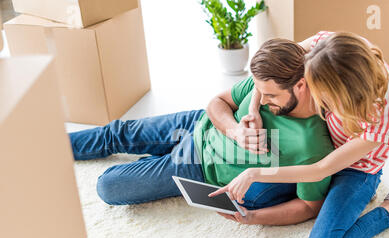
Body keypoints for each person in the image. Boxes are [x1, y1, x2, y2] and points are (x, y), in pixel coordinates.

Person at [209, 31, 389, 238]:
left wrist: (254, 173)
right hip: (320, 148)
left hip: (355, 169)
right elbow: (272, 71)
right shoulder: (328, 49)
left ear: (344, 96)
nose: (313, 101)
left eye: (322, 96)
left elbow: (322, 169)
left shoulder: (386, 116)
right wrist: (253, 107)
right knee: (253, 196)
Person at [69, 38, 334, 225]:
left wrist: (253, 218)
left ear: (300, 86)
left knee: (108, 186)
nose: (261, 101)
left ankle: (158, 160)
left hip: (197, 167)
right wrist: (234, 131)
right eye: (259, 93)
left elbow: (310, 206)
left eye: (270, 96)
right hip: (196, 124)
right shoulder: (265, 82)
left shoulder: (312, 144)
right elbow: (217, 103)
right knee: (118, 133)